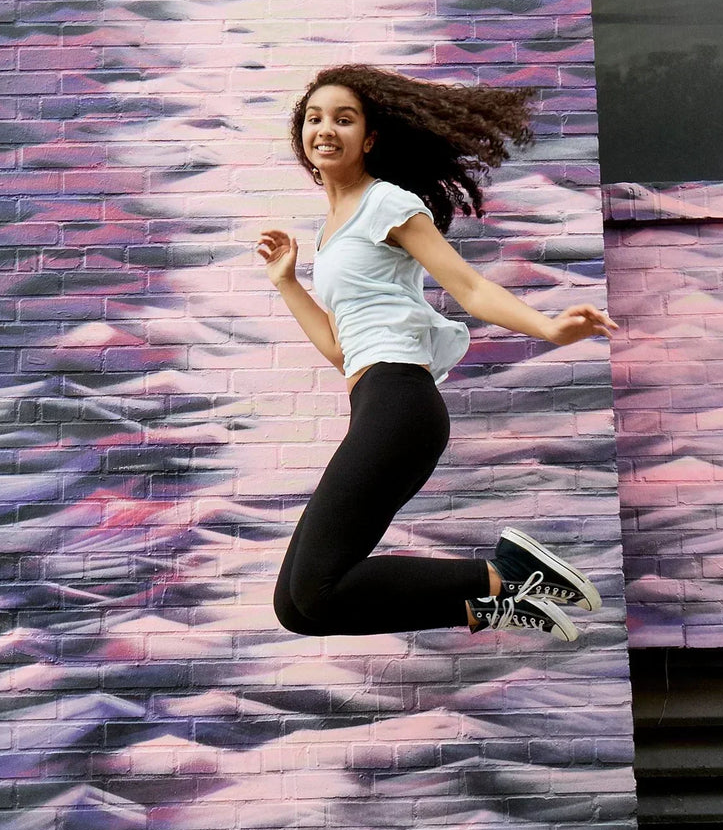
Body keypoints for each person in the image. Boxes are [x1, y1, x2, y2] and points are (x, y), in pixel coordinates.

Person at [256, 65, 617, 642]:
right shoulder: (331, 230)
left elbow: (468, 286)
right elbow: (341, 350)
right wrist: (288, 282)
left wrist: (547, 328)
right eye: (315, 118)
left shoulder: (386, 203)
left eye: (343, 119)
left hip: (400, 406)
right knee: (298, 607)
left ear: (369, 138)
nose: (325, 129)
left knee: (316, 586)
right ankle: (493, 605)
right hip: (374, 397)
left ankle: (506, 574)